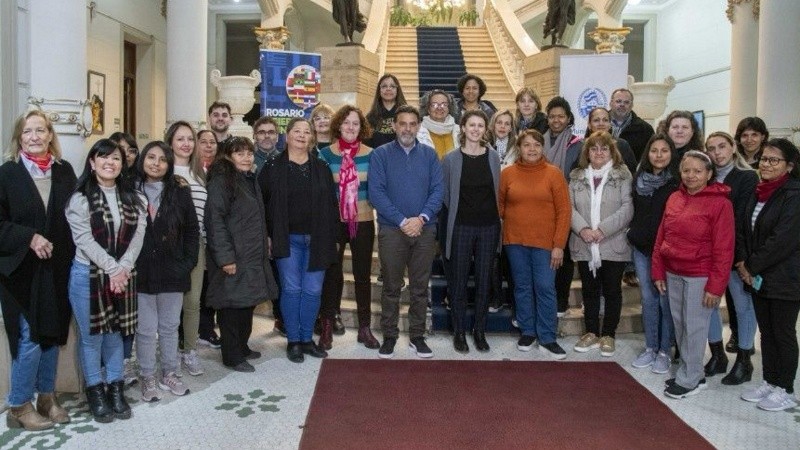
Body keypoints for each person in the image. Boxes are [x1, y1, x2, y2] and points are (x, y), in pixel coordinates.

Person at [0, 111, 76, 430]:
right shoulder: (7, 173)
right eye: (27, 131)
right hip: (20, 271)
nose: (34, 136)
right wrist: (29, 237)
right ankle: (18, 404)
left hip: (57, 268)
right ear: (19, 138)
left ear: (50, 135)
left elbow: (75, 215)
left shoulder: (64, 171)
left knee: (52, 333)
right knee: (30, 337)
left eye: (40, 130)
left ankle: (46, 397)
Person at [66, 139, 147, 422]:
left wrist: (122, 268)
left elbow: (138, 237)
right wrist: (114, 269)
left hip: (123, 275)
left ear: (123, 164)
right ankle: (95, 392)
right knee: (92, 339)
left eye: (115, 158)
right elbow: (84, 240)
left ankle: (115, 388)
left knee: (115, 335)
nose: (109, 163)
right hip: (87, 275)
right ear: (92, 162)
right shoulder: (79, 199)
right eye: (103, 157)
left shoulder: (135, 198)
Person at [652, 150, 734, 399]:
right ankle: (692, 373)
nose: (691, 175)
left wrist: (716, 287)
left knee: (694, 328)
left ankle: (689, 380)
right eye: (686, 170)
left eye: (698, 171)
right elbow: (661, 236)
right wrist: (658, 271)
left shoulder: (721, 204)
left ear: (709, 174)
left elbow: (724, 249)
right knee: (680, 326)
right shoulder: (674, 198)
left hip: (700, 275)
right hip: (673, 271)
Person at [259, 119, 338, 363]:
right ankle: (293, 340)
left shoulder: (322, 167)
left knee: (313, 290)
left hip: (318, 239)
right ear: (287, 135)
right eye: (297, 131)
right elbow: (262, 205)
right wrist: (267, 236)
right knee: (292, 289)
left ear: (312, 137)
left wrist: (333, 237)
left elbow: (331, 205)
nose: (302, 135)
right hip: (287, 239)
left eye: (306, 132)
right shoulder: (272, 167)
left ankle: (306, 339)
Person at [369, 105, 443, 359]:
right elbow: (376, 193)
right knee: (391, 286)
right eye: (403, 123)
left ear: (419, 127)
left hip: (425, 229)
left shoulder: (430, 156)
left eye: (413, 124)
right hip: (392, 230)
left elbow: (438, 190)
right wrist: (402, 220)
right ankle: (389, 336)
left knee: (420, 287)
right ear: (394, 126)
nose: (407, 129)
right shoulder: (380, 155)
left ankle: (417, 336)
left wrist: (421, 219)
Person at [737, 139, 800, 411]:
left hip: (785, 278)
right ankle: (770, 381)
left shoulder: (794, 195)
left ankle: (785, 389)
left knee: (783, 333)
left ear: (789, 166)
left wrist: (750, 266)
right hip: (758, 276)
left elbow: (782, 240)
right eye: (764, 159)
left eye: (774, 160)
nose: (766, 164)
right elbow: (744, 229)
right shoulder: (759, 191)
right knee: (767, 332)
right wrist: (743, 263)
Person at [206, 137, 278, 372]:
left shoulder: (248, 178)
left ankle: (242, 347)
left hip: (251, 254)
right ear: (227, 157)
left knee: (246, 303)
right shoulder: (222, 181)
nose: (246, 157)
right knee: (231, 307)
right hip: (233, 256)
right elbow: (215, 221)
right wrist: (225, 257)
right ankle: (232, 355)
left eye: (249, 152)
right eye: (239, 153)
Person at [134, 141, 199, 399]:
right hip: (141, 271)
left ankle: (170, 372)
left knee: (170, 326)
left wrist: (187, 263)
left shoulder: (180, 191)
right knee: (146, 329)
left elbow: (192, 231)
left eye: (162, 159)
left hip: (173, 270)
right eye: (151, 157)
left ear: (169, 164)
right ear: (142, 160)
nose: (156, 163)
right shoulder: (130, 189)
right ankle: (147, 375)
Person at [499, 129, 571, 360]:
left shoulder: (554, 174)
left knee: (545, 287)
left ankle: (548, 337)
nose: (532, 149)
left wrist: (559, 245)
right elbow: (500, 206)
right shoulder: (507, 174)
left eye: (537, 145)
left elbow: (564, 211)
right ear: (519, 148)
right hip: (515, 242)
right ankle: (528, 331)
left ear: (543, 148)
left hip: (546, 244)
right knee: (521, 287)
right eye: (527, 145)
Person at [317, 105, 380, 350]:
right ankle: (327, 326)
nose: (350, 127)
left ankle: (364, 328)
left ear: (361, 127)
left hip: (363, 221)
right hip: (334, 223)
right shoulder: (325, 155)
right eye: (346, 123)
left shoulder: (372, 154)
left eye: (355, 123)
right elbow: (322, 192)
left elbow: (377, 188)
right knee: (331, 275)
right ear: (338, 126)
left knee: (362, 275)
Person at [569, 131, 633, 357]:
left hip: (612, 241)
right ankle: (591, 332)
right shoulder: (576, 176)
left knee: (612, 290)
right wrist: (584, 229)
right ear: (587, 152)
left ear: (611, 152)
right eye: (593, 148)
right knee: (589, 291)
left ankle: (608, 334)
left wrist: (602, 230)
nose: (598, 152)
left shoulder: (622, 175)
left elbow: (627, 207)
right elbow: (569, 207)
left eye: (603, 148)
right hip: (585, 242)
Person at [442, 110, 501, 353]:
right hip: (461, 226)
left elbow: (497, 190)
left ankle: (479, 330)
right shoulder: (450, 159)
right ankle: (459, 332)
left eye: (480, 125)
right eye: (471, 125)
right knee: (458, 281)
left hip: (489, 227)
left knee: (484, 281)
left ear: (485, 129)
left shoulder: (493, 157)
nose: (476, 129)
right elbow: (446, 196)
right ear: (463, 128)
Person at [704, 131, 759, 385]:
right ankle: (717, 355)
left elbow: (742, 218)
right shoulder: (706, 177)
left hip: (737, 253)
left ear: (733, 148)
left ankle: (744, 360)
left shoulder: (747, 177)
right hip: (709, 254)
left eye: (722, 146)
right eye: (711, 148)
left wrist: (742, 258)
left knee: (743, 306)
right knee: (709, 305)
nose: (717, 153)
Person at [627, 133, 680, 374]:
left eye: (664, 151)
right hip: (641, 249)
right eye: (654, 150)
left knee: (664, 300)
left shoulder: (677, 183)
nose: (659, 155)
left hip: (667, 251)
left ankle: (664, 350)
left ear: (671, 154)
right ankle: (650, 347)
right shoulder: (638, 179)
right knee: (648, 299)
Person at [165, 121, 206, 376]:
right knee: (170, 303)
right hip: (169, 245)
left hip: (197, 243)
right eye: (180, 139)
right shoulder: (164, 171)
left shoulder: (200, 173)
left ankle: (189, 351)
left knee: (192, 301)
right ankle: (168, 355)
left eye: (190, 139)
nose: (186, 144)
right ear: (170, 142)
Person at [543, 96, 582, 317]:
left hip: (566, 204)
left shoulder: (577, 144)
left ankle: (561, 302)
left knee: (564, 255)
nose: (556, 120)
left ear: (568, 118)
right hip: (541, 206)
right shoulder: (539, 141)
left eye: (561, 116)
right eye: (552, 116)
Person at [583, 107, 637, 175]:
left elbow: (633, 172)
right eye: (596, 120)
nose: (601, 123)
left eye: (605, 120)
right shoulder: (581, 145)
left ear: (610, 124)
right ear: (589, 125)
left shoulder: (622, 145)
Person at [609, 88, 655, 162]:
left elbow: (650, 157)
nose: (622, 105)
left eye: (626, 102)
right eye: (618, 101)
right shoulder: (598, 124)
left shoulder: (645, 129)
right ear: (611, 103)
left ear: (632, 105)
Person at [366, 74, 407, 149]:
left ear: (397, 90)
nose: (388, 89)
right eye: (384, 86)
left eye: (392, 86)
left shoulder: (407, 114)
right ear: (379, 90)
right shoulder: (370, 117)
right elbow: (366, 145)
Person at [417, 89, 460, 160]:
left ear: (449, 108)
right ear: (428, 109)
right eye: (434, 105)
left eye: (444, 104)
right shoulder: (417, 132)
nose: (439, 108)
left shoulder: (460, 131)